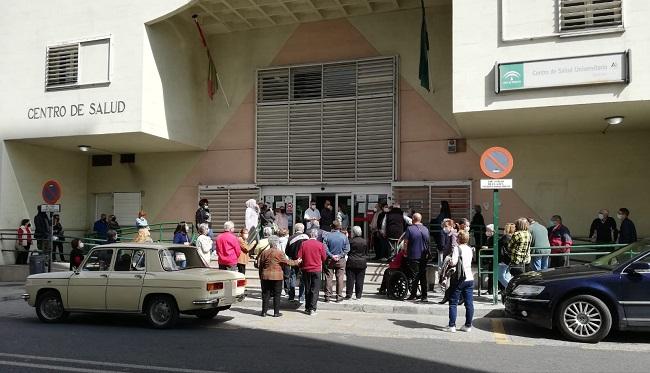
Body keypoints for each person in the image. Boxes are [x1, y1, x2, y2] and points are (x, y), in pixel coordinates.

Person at [258, 235, 301, 317]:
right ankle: (276, 312)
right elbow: (287, 262)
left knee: (265, 294)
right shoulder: (279, 253)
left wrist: (261, 275)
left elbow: (261, 265)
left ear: (269, 242)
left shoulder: (264, 253)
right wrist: (297, 261)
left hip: (266, 276)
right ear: (277, 243)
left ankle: (264, 312)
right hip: (277, 276)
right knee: (277, 295)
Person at [445, 230, 474, 333]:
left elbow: (453, 262)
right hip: (469, 278)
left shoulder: (457, 249)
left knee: (453, 302)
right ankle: (468, 325)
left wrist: (448, 260)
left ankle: (452, 325)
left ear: (459, 239)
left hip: (459, 279)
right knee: (469, 303)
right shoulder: (470, 249)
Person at [297, 229, 328, 315]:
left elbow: (299, 257)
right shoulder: (320, 245)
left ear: (310, 235)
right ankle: (312, 308)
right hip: (316, 269)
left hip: (306, 269)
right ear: (316, 235)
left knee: (307, 288)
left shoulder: (303, 244)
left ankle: (307, 307)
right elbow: (324, 258)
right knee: (315, 289)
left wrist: (300, 266)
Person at [403, 213, 431, 302]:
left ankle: (413, 294)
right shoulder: (426, 229)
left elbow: (405, 242)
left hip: (413, 255)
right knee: (423, 276)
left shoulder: (410, 229)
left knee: (415, 275)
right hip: (424, 256)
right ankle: (424, 296)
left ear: (413, 219)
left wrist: (405, 252)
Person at [323, 220, 350, 302]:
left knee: (328, 277)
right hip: (340, 260)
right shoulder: (344, 236)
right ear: (340, 227)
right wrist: (340, 255)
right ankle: (339, 296)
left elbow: (324, 248)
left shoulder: (327, 236)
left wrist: (331, 255)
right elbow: (347, 249)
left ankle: (327, 296)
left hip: (330, 259)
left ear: (332, 227)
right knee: (340, 278)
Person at [286, 223, 308, 302]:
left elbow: (287, 251)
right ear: (302, 229)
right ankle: (301, 297)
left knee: (293, 277)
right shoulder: (306, 237)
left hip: (294, 261)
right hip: (303, 261)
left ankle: (291, 296)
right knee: (302, 279)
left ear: (295, 229)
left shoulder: (290, 238)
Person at [345, 226, 367, 300]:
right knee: (360, 280)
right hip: (362, 262)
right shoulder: (364, 241)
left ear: (354, 233)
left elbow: (348, 251)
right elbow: (366, 252)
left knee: (350, 279)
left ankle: (349, 294)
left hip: (352, 261)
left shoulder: (351, 241)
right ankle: (358, 295)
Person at [497, 223, 515, 288]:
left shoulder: (506, 237)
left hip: (503, 260)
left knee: (500, 276)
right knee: (507, 276)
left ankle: (509, 288)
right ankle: (509, 289)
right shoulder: (513, 237)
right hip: (509, 259)